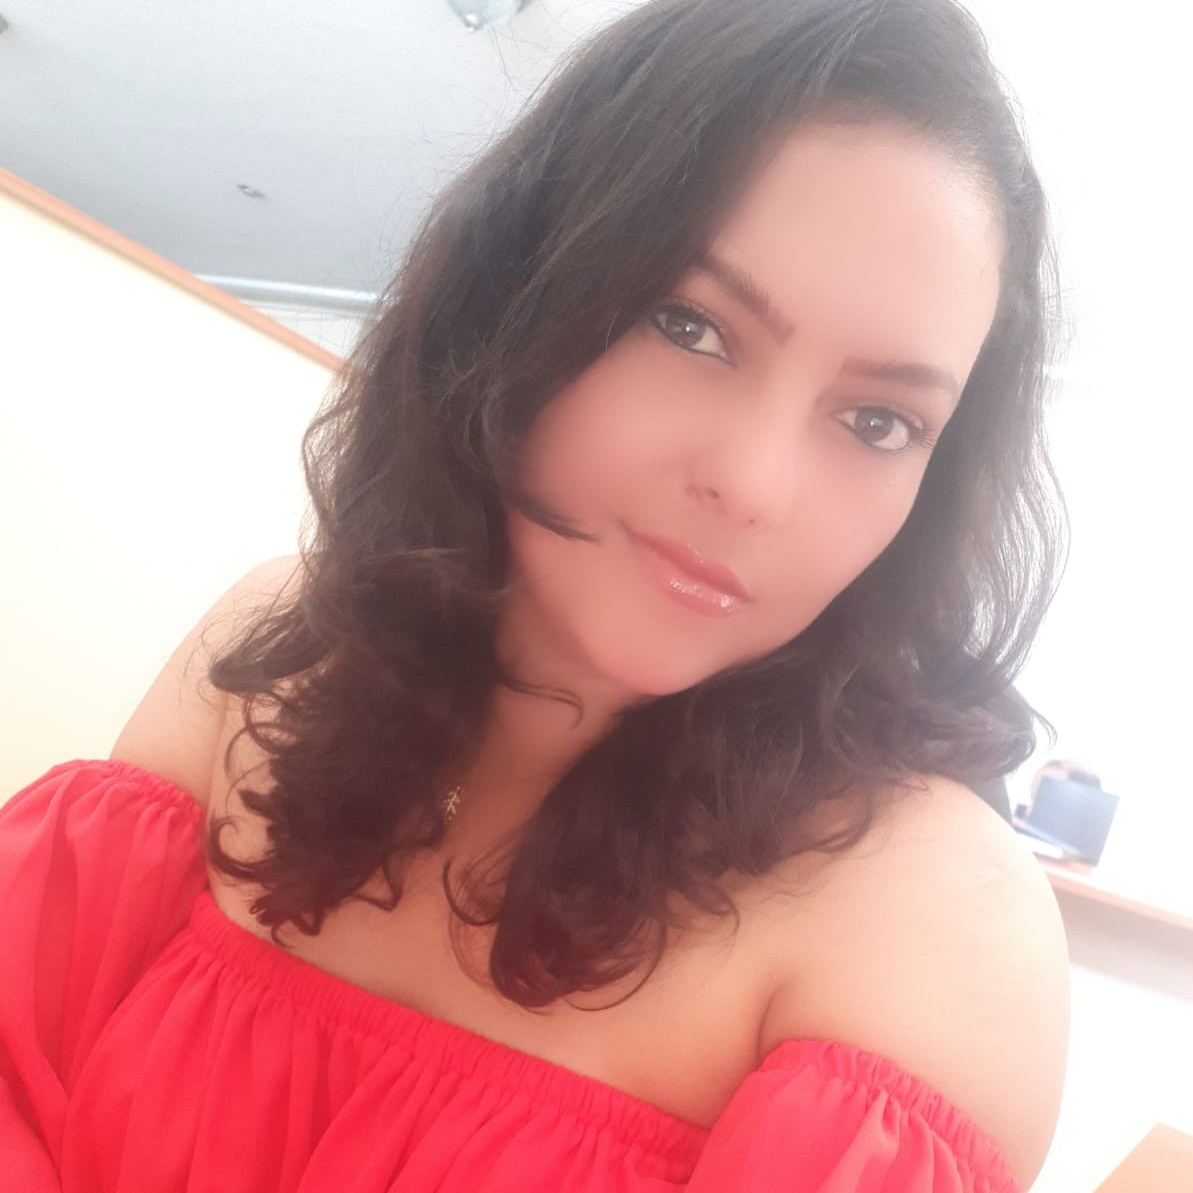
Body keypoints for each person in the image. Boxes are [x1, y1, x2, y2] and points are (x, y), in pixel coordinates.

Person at [0, 0, 1073, 1188]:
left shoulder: (929, 920)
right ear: (516, 292)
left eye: (877, 421)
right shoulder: (276, 652)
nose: (754, 486)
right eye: (689, 325)